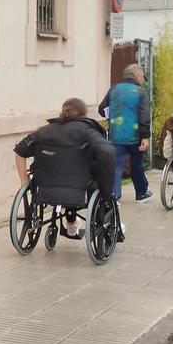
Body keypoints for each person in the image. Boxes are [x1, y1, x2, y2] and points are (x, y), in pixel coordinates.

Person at [14, 98, 117, 239]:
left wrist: (24, 181)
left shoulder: (44, 132)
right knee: (96, 183)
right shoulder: (87, 132)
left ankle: (71, 223)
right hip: (80, 190)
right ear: (83, 115)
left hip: (44, 190)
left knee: (69, 176)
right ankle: (92, 221)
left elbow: (20, 150)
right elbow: (107, 152)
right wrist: (106, 187)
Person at [98, 63, 154, 202]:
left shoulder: (114, 89)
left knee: (116, 166)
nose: (142, 79)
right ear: (136, 76)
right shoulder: (140, 92)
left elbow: (101, 108)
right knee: (136, 164)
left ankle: (114, 197)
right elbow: (144, 116)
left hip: (115, 135)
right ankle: (141, 193)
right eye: (142, 76)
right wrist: (145, 136)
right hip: (134, 136)